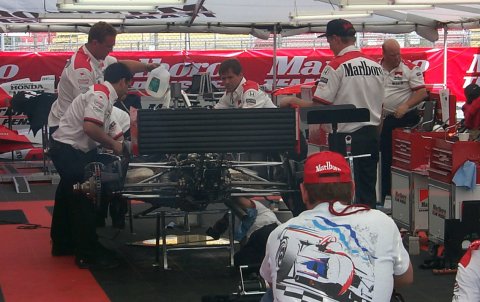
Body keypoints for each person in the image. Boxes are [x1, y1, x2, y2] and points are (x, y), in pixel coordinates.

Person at [260, 151, 413, 302]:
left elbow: (273, 281)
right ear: (352, 188)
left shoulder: (280, 232)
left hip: (333, 276)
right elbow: (405, 278)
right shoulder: (382, 221)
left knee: (269, 295)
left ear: (304, 192)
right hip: (339, 277)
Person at [280, 19, 384, 208]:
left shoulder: (335, 66)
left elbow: (318, 107)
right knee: (368, 193)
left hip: (345, 138)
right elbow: (381, 106)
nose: (329, 47)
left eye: (329, 41)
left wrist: (292, 101)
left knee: (342, 194)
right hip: (371, 136)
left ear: (335, 38)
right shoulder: (376, 66)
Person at [49, 62, 132, 269]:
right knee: (84, 197)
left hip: (66, 148)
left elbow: (112, 129)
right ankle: (87, 253)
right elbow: (90, 128)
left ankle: (63, 243)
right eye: (128, 85)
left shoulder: (102, 96)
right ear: (122, 81)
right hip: (70, 149)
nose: (128, 90)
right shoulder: (100, 95)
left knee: (66, 196)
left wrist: (123, 146)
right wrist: (114, 145)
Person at [48, 21, 158, 134]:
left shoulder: (97, 56)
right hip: (65, 128)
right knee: (123, 121)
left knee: (124, 119)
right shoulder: (82, 69)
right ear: (95, 43)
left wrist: (147, 67)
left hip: (77, 122)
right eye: (109, 47)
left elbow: (121, 66)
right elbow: (88, 108)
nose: (111, 50)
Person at [380, 39, 427, 204]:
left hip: (402, 119)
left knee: (395, 158)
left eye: (399, 53)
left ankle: (396, 195)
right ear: (384, 54)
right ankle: (383, 193)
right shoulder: (375, 69)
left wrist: (405, 105)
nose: (397, 57)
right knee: (381, 157)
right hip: (380, 119)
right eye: (393, 55)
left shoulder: (410, 68)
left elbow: (422, 92)